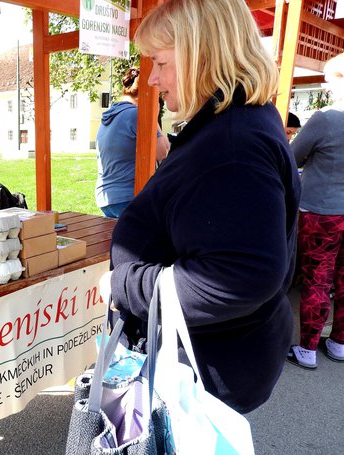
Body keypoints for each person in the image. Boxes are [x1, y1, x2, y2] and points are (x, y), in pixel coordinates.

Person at [99, 0, 301, 413]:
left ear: (201, 54)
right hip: (219, 358)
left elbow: (239, 277)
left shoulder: (232, 143)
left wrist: (123, 286)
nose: (153, 78)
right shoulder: (236, 122)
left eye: (161, 62)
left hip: (202, 374)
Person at [287, 52, 344, 369]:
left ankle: (307, 348)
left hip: (321, 212)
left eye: (329, 78)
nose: (325, 84)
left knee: (317, 281)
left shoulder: (325, 119)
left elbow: (293, 157)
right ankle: (338, 344)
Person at [95, 67, 170, 218]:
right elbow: (163, 152)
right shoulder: (135, 115)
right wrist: (152, 115)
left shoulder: (110, 116)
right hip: (127, 196)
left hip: (106, 197)